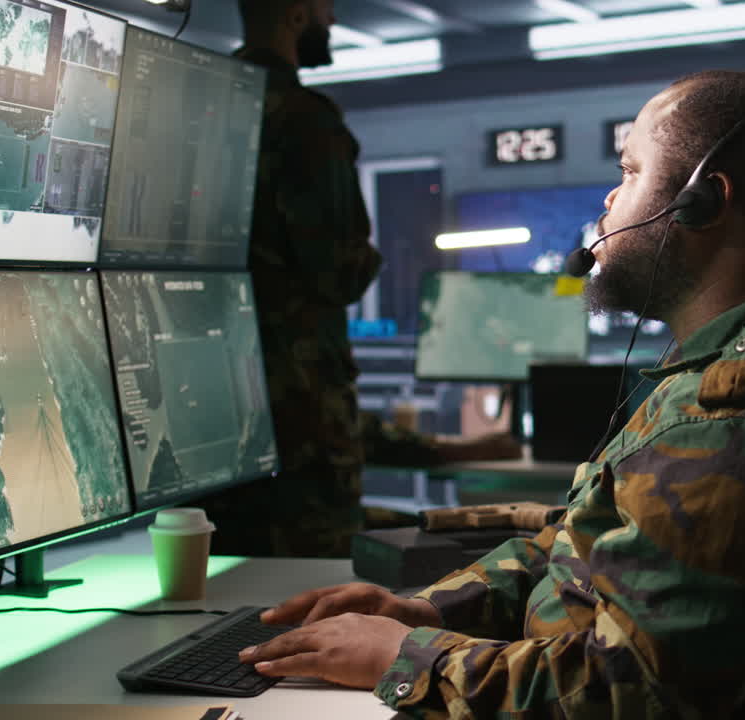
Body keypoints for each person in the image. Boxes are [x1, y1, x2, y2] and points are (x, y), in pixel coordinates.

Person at [237, 70, 745, 717]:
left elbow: (619, 696)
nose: (609, 200)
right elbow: (581, 544)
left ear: (703, 204)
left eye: (629, 171)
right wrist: (425, 613)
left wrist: (402, 659)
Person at [201, 0, 518, 558]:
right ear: (295, 13)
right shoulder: (303, 121)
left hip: (219, 450)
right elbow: (339, 271)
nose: (333, 22)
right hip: (300, 482)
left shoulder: (207, 114)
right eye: (324, 8)